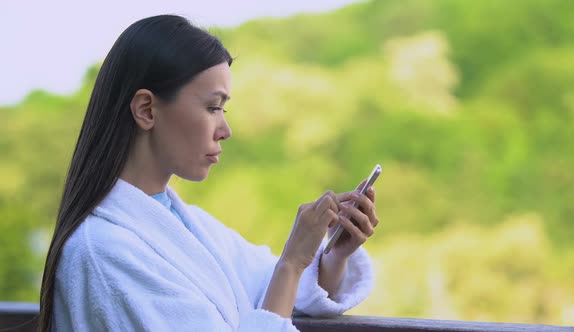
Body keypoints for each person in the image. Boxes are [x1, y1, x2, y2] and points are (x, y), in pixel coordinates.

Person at [39, 14, 379, 331]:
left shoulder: (187, 226)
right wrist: (292, 263)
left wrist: (332, 256)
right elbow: (282, 280)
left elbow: (271, 287)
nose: (225, 129)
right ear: (146, 109)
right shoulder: (103, 252)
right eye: (212, 107)